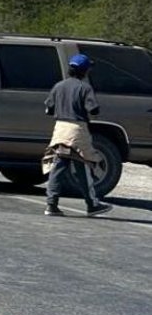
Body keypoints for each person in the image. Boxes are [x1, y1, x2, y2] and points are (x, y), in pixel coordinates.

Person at [42, 54, 113, 217]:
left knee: (58, 167)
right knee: (84, 165)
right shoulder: (84, 87)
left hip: (60, 130)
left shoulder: (59, 86)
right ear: (84, 71)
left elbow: (48, 109)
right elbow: (93, 109)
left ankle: (51, 204)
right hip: (77, 131)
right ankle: (92, 205)